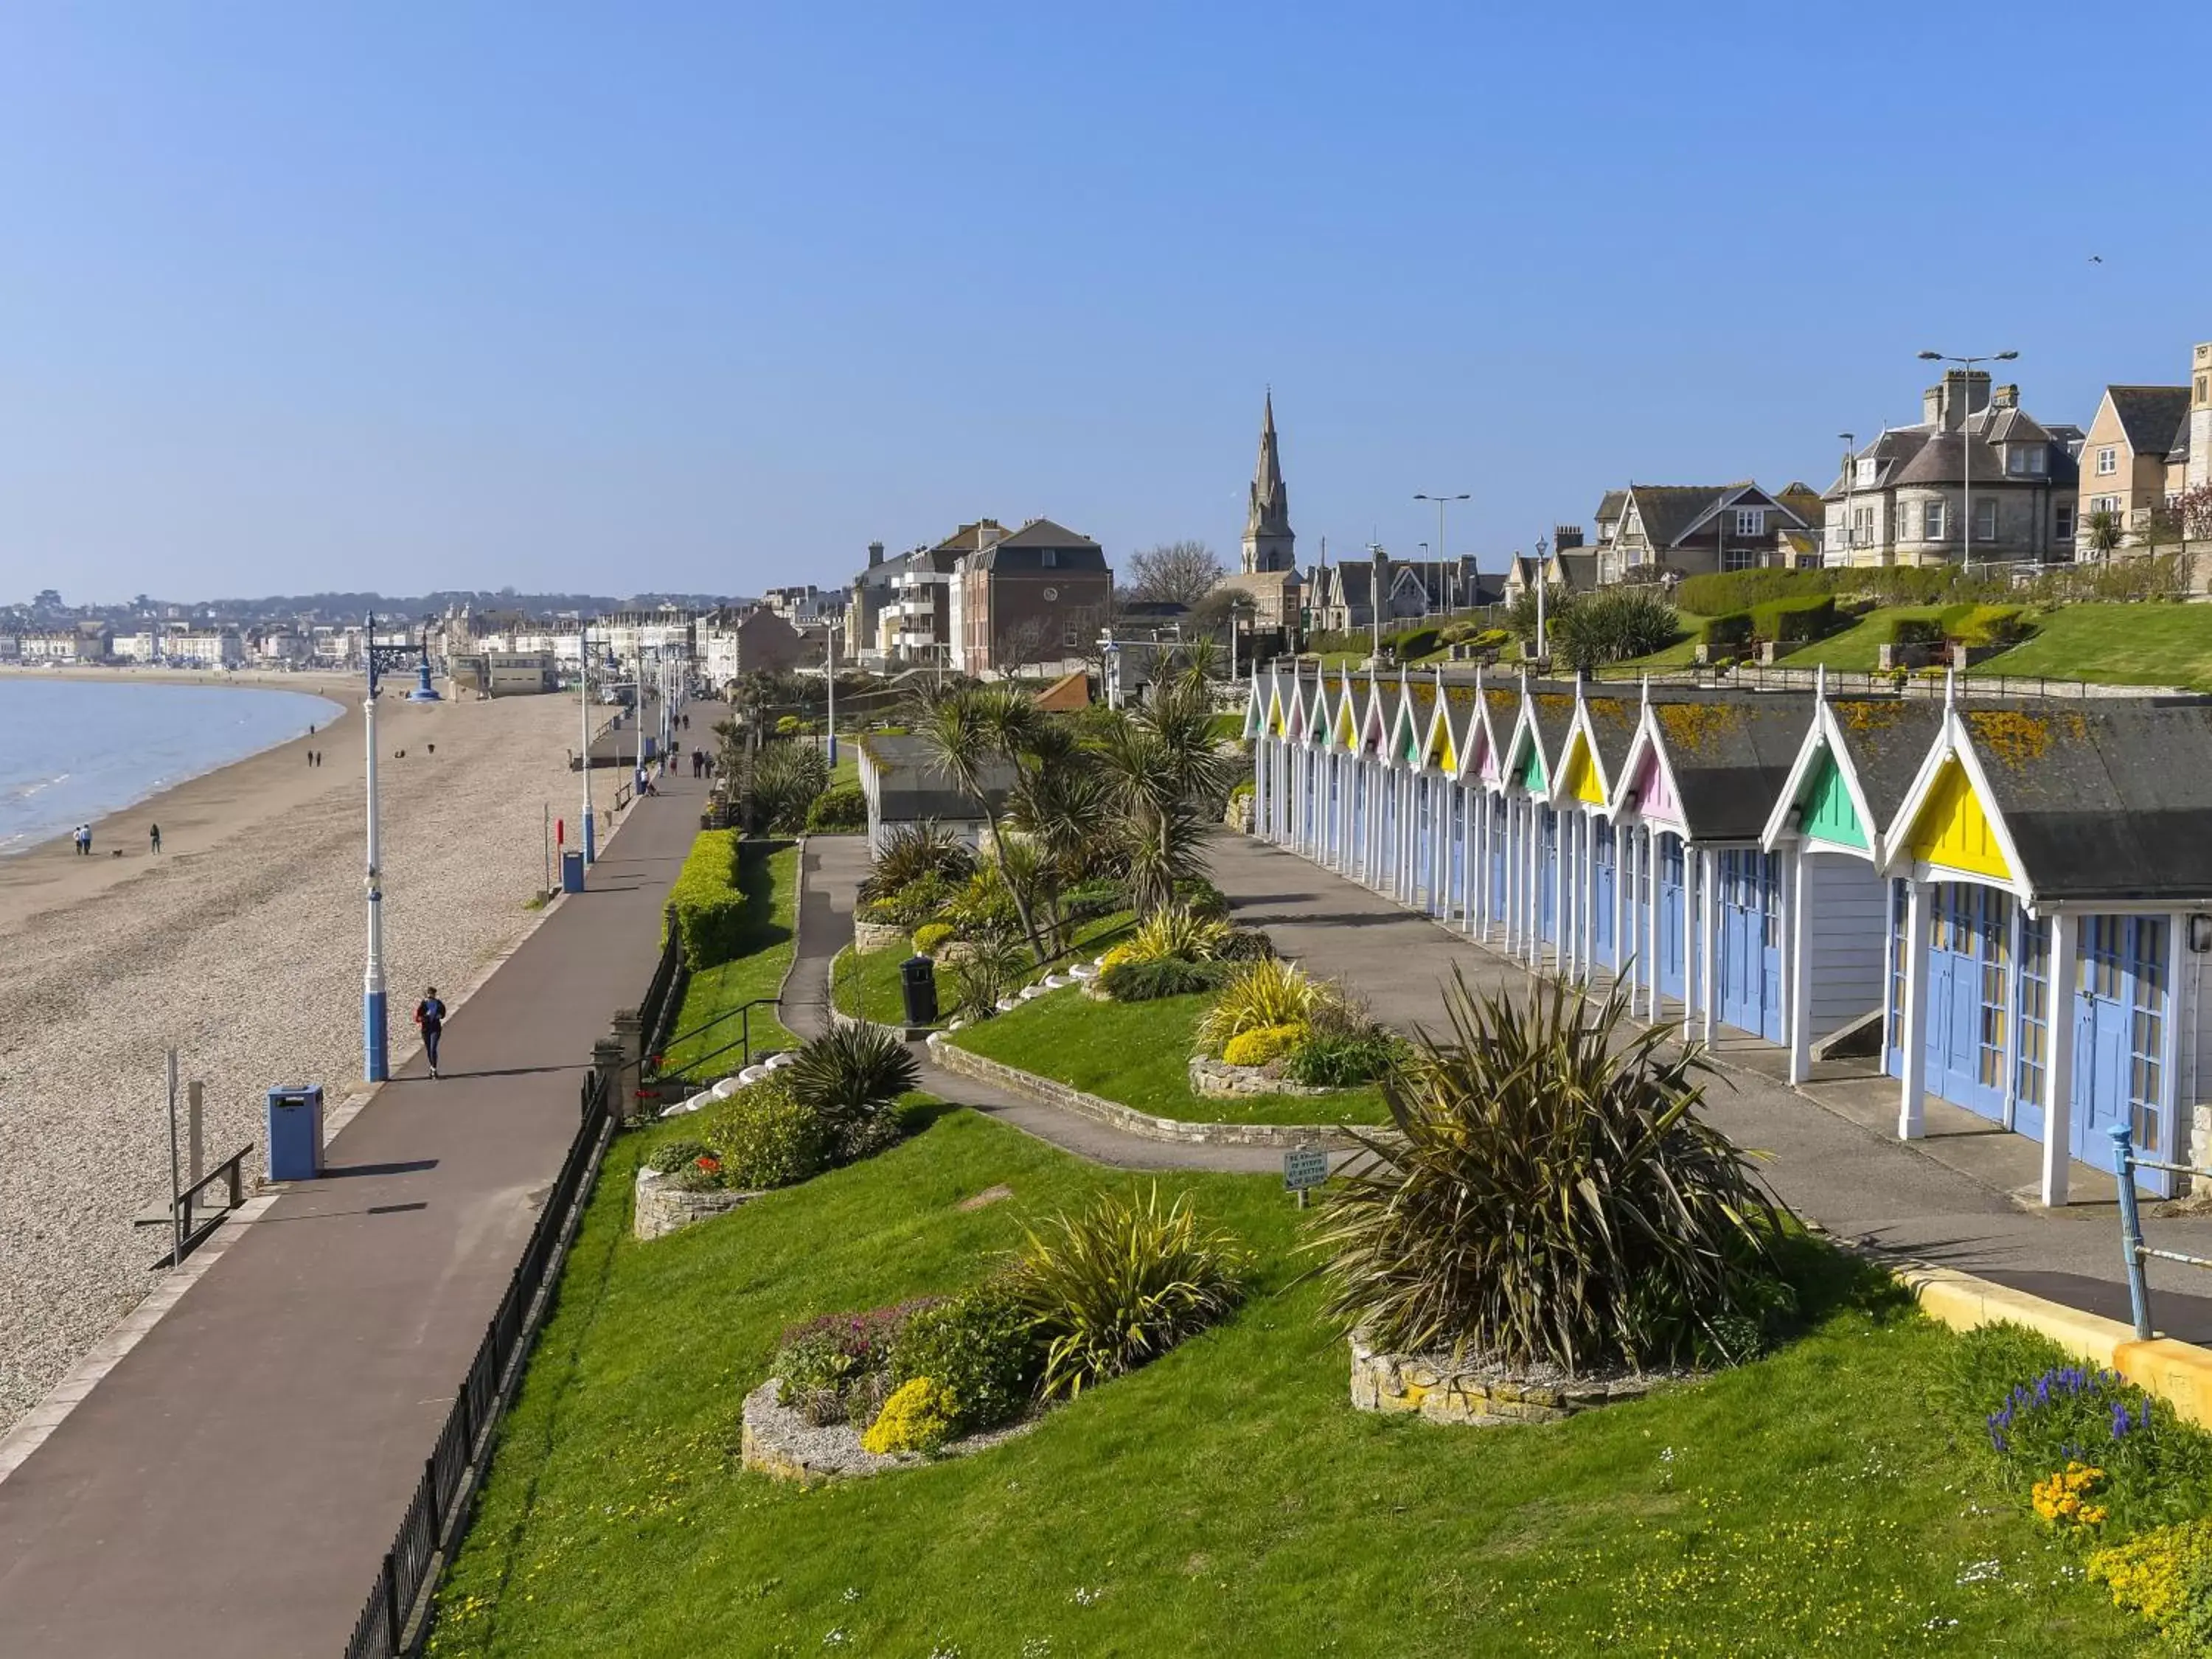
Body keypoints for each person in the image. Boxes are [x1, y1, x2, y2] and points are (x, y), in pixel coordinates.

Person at [414, 987, 448, 1079]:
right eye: (429, 994)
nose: (430, 996)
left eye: (432, 994)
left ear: (434, 994)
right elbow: (417, 1018)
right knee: (429, 1050)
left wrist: (439, 1015)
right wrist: (426, 1016)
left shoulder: (438, 1003)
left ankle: (434, 1069)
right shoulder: (423, 1005)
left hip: (435, 1028)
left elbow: (443, 1014)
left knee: (433, 1048)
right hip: (426, 1029)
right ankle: (432, 1067)